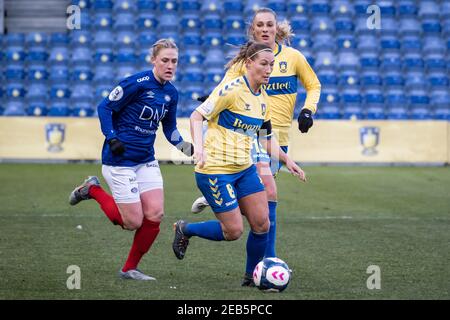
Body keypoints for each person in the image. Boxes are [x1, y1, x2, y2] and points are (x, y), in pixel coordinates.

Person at [191, 8, 321, 286]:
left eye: (269, 24)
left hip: (274, 138)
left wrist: (308, 110)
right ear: (253, 30)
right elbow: (219, 97)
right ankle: (267, 262)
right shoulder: (244, 67)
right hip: (245, 142)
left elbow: (314, 86)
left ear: (277, 28)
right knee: (269, 194)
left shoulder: (293, 57)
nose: (265, 29)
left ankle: (227, 200)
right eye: (259, 25)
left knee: (263, 207)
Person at [172, 42, 306, 286]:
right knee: (233, 231)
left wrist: (288, 160)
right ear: (248, 64)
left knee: (262, 222)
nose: (268, 70)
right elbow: (196, 115)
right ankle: (185, 229)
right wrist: (198, 148)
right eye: (263, 64)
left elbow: (265, 138)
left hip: (244, 169)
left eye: (272, 65)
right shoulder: (231, 90)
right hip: (215, 170)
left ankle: (251, 276)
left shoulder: (263, 99)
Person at [69, 39, 193, 281]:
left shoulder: (171, 93)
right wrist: (112, 137)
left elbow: (170, 129)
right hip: (120, 160)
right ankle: (92, 190)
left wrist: (185, 147)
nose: (170, 65)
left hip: (146, 159)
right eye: (165, 60)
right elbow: (104, 107)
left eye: (174, 61)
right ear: (153, 60)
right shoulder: (136, 83)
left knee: (155, 214)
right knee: (132, 222)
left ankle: (129, 269)